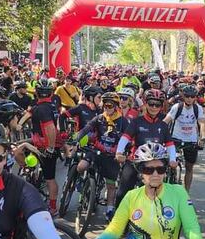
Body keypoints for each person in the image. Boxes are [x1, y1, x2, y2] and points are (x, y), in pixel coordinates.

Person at [114, 89, 176, 208]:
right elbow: (125, 138)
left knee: (163, 192)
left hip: (156, 163)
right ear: (146, 104)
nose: (154, 107)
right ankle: (117, 220)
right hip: (135, 161)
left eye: (157, 104)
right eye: (151, 103)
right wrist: (119, 153)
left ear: (161, 106)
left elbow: (170, 144)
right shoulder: (137, 122)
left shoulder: (163, 125)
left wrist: (172, 159)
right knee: (122, 192)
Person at [74, 92, 127, 220]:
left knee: (111, 185)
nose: (107, 109)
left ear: (116, 106)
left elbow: (128, 138)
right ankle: (82, 183)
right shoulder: (99, 118)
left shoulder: (123, 121)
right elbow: (86, 129)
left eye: (110, 106)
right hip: (96, 151)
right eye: (105, 106)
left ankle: (109, 210)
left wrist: (124, 152)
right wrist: (77, 140)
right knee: (81, 166)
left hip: (112, 156)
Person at [163, 84, 205, 191]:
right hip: (175, 139)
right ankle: (165, 185)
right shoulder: (177, 107)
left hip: (191, 140)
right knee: (169, 163)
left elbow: (202, 124)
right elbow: (166, 121)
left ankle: (186, 193)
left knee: (189, 167)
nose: (190, 99)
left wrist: (203, 137)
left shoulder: (198, 109)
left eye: (192, 97)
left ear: (195, 97)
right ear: (183, 96)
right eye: (187, 96)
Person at [29, 82, 61, 215]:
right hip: (41, 144)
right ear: (51, 93)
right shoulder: (51, 106)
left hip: (44, 146)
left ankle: (53, 207)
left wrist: (50, 147)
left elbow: (50, 128)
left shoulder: (41, 109)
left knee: (50, 179)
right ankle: (31, 173)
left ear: (36, 93)